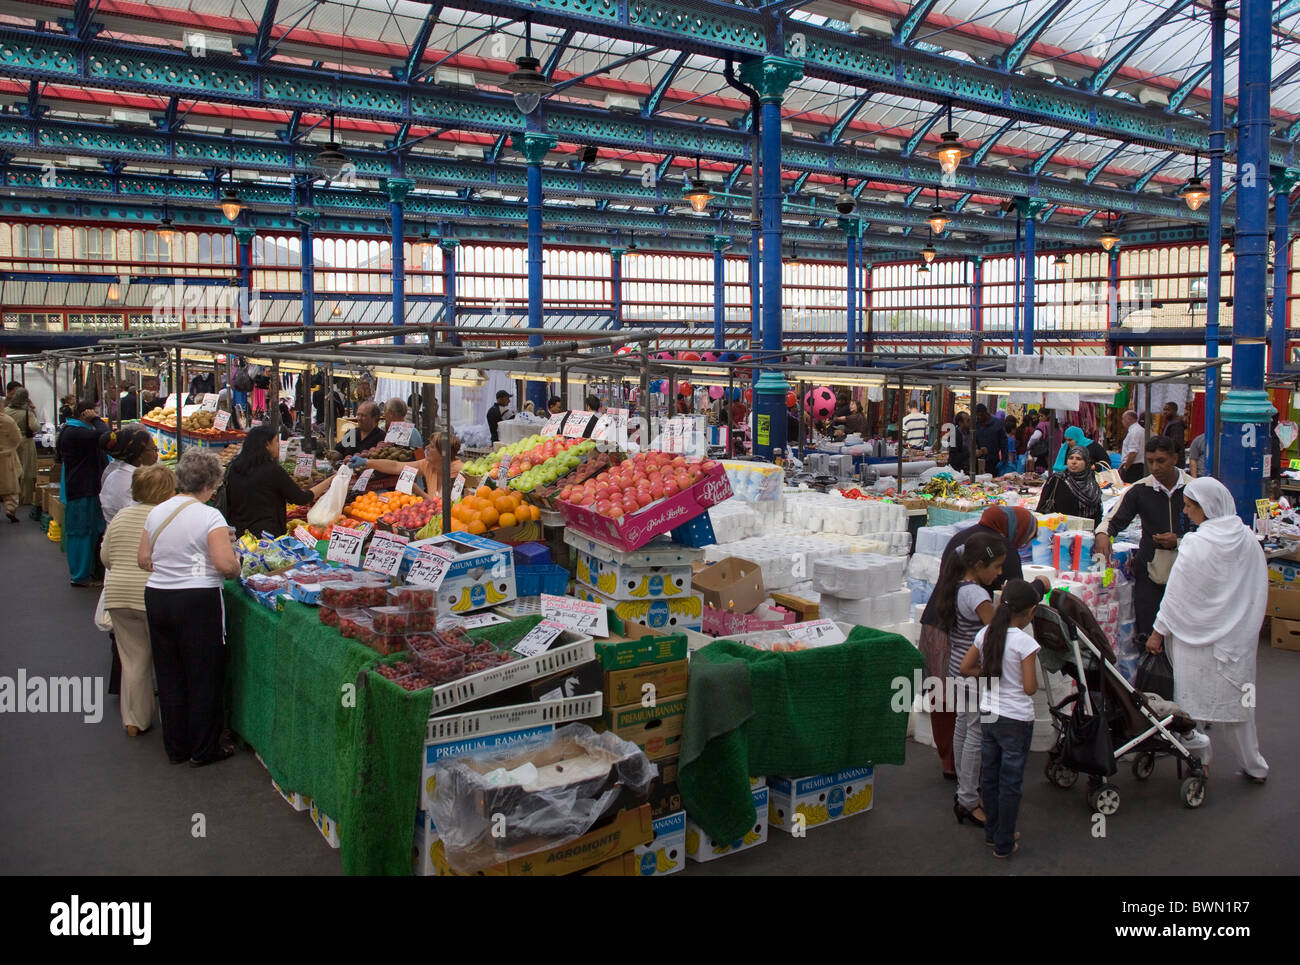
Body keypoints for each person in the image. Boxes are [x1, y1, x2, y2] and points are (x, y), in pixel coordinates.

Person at [1147, 476, 1268, 783]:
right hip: (1235, 641)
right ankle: (1254, 765)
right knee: (1240, 707)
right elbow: (1256, 589)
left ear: (1207, 507)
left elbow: (1176, 593)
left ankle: (1200, 761)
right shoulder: (1248, 540)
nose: (1186, 511)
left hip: (1193, 639)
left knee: (1191, 706)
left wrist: (1158, 631)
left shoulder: (1196, 544)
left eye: (1189, 506)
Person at [138, 450, 240, 767]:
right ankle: (204, 747)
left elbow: (143, 559)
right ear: (211, 483)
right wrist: (237, 564)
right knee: (204, 674)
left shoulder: (157, 512)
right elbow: (224, 565)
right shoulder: (210, 516)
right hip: (197, 601)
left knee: (170, 674)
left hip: (158, 596)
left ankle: (176, 747)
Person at [925, 531, 1006, 822]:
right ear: (978, 564)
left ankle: (963, 787)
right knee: (975, 733)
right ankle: (969, 800)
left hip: (956, 669)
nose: (998, 574)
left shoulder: (958, 588)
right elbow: (995, 630)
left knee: (962, 725)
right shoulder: (977, 595)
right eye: (996, 567)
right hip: (974, 675)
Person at [961, 578, 1044, 858]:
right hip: (1016, 720)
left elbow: (965, 667)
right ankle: (1004, 842)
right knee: (1010, 783)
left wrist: (988, 674)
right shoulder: (1025, 643)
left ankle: (993, 833)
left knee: (991, 779)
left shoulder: (986, 633)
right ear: (1030, 611)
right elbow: (1030, 688)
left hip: (989, 714)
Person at [101, 464, 175, 737]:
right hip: (152, 594)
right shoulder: (164, 517)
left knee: (133, 660)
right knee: (166, 658)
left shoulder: (121, 516)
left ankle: (134, 719)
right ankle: (172, 719)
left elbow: (106, 558)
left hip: (118, 596)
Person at [1095, 435, 1190, 641]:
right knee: (1149, 632)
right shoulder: (1140, 490)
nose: (1155, 467)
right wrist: (1103, 534)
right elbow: (1114, 519)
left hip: (1188, 572)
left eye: (1161, 461)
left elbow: (1210, 531)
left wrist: (1180, 541)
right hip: (1150, 571)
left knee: (1183, 634)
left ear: (1174, 459)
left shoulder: (1194, 489)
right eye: (1150, 461)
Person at [226, 425, 332, 537]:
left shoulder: (234, 468)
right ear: (266, 444)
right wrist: (330, 481)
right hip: (266, 537)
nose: (279, 445)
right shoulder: (272, 470)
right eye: (276, 441)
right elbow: (301, 498)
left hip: (239, 533)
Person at [56, 399, 110, 586]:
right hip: (82, 489)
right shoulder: (77, 433)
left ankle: (88, 573)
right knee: (81, 532)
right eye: (94, 412)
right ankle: (79, 576)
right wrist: (96, 420)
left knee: (90, 531)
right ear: (85, 413)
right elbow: (106, 437)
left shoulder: (73, 430)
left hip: (85, 487)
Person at [355, 431, 463, 501]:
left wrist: (418, 492)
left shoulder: (459, 472)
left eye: (432, 447)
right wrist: (367, 462)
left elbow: (446, 508)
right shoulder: (428, 464)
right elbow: (395, 466)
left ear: (443, 453)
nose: (427, 447)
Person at [99, 425, 159, 525]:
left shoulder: (113, 474)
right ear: (140, 455)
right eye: (154, 449)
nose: (156, 454)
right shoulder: (134, 483)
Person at [1037, 446, 1104, 526]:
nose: (1073, 462)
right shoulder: (1057, 479)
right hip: (1059, 531)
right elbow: (1041, 507)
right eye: (1071, 458)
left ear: (1086, 462)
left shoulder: (1091, 482)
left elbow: (1098, 513)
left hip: (1086, 533)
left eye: (1079, 459)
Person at [4, 387, 39, 509]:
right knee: (27, 469)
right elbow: (35, 427)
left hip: (9, 443)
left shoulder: (6, 411)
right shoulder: (27, 412)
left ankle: (10, 497)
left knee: (11, 470)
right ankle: (25, 497)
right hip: (26, 441)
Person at [0, 409, 20, 523]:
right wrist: (11, 448)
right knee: (11, 487)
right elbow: (17, 438)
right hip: (6, 457)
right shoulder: (8, 420)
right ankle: (10, 508)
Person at [974, 404, 1005, 474]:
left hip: (993, 461)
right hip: (978, 461)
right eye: (977, 416)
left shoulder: (997, 424)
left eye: (980, 415)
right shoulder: (976, 424)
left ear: (986, 413)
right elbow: (972, 440)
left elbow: (1003, 443)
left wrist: (1004, 461)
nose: (978, 417)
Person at [1119, 409, 1146, 483]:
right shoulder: (1139, 430)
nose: (1122, 422)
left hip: (1134, 467)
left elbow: (1133, 452)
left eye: (1123, 419)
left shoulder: (1135, 431)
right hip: (1136, 466)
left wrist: (1126, 467)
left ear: (1129, 419)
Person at [1163, 402, 1186, 468]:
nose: (1165, 412)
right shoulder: (1172, 423)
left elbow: (1175, 443)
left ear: (1174, 411)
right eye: (1164, 410)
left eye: (1167, 410)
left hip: (1175, 462)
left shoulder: (1176, 424)